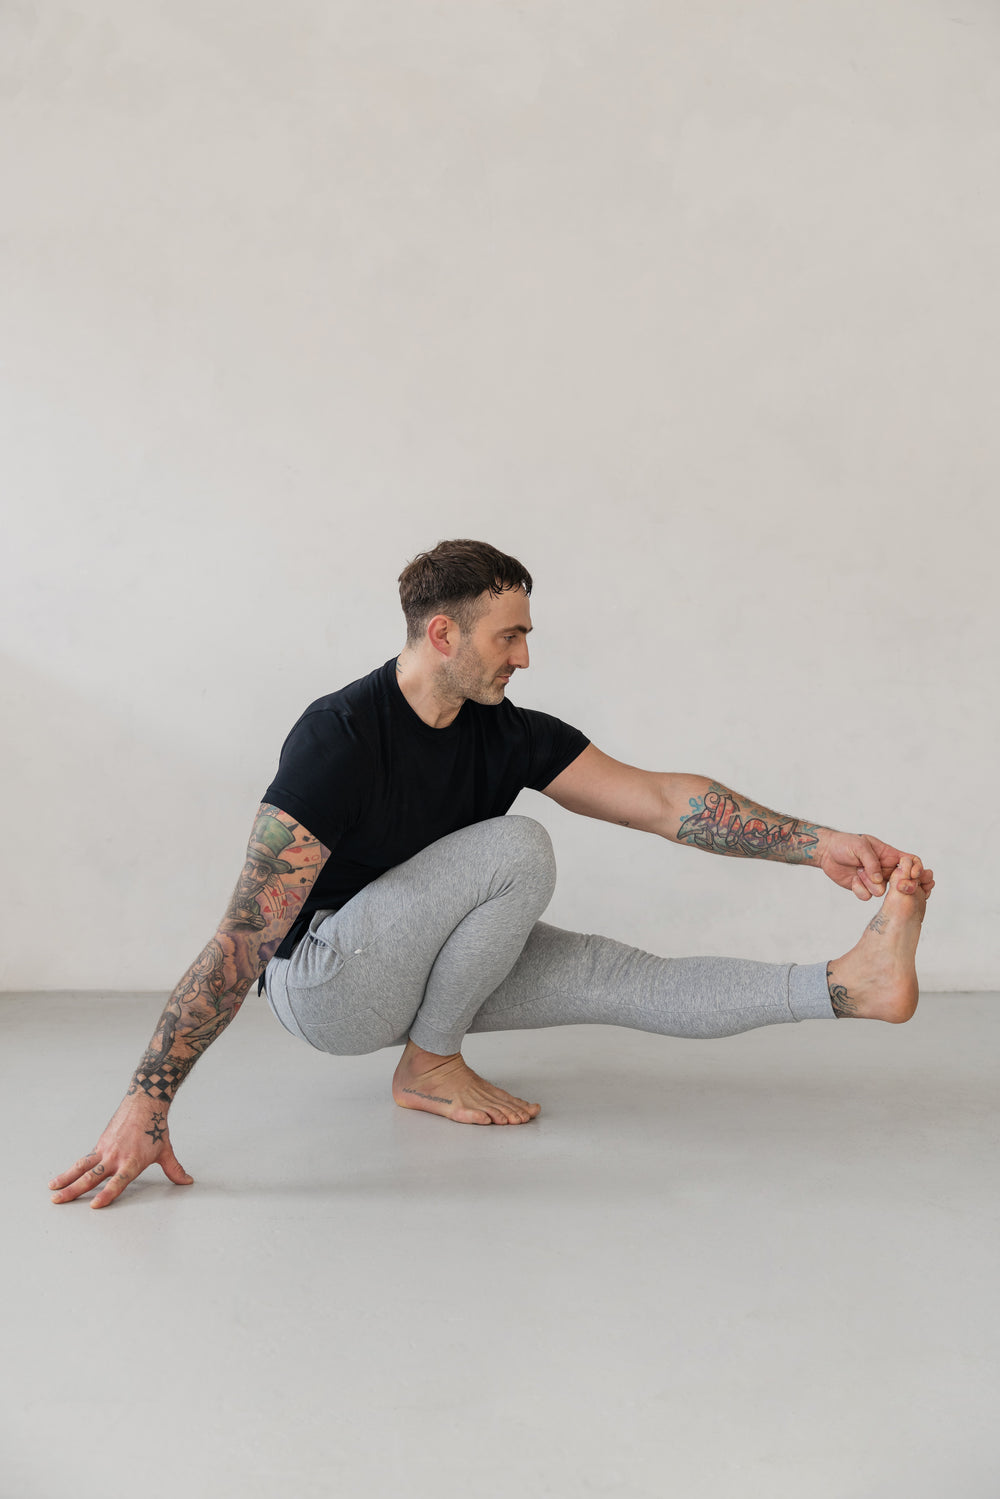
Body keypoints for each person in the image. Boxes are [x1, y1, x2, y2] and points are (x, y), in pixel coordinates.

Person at [49, 539, 935, 1209]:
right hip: (324, 981)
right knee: (518, 848)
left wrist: (818, 842)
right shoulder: (340, 737)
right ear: (444, 632)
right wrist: (145, 1101)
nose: (523, 656)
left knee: (625, 977)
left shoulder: (509, 732)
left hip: (424, 964)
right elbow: (244, 938)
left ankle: (847, 987)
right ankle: (430, 1064)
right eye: (509, 635)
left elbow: (665, 800)